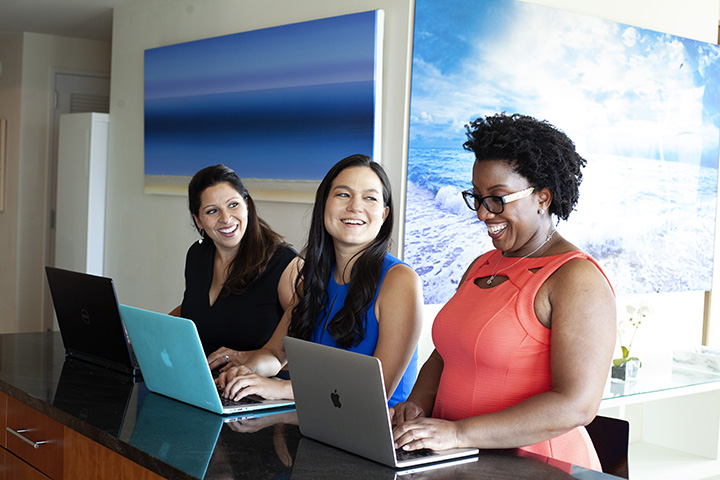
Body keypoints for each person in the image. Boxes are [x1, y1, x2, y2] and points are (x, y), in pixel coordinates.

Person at [391, 113, 616, 471]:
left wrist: (459, 434)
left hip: (537, 467)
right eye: (477, 197)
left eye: (497, 198)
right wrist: (416, 404)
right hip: (461, 463)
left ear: (543, 197)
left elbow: (577, 405)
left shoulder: (576, 279)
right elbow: (448, 353)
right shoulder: (481, 265)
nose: (482, 213)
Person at [218, 154, 424, 407]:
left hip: (376, 433)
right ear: (324, 204)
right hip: (317, 418)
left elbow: (376, 389)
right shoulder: (313, 277)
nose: (355, 207)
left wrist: (280, 388)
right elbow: (275, 353)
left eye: (370, 198)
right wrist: (249, 371)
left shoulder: (400, 281)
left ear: (384, 214)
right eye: (343, 194)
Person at [170, 164, 301, 370]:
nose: (226, 218)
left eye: (233, 205)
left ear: (247, 205)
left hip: (258, 388)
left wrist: (248, 358)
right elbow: (194, 310)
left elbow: (305, 348)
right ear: (198, 221)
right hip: (201, 378)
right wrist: (143, 332)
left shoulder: (285, 264)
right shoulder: (197, 254)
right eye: (212, 211)